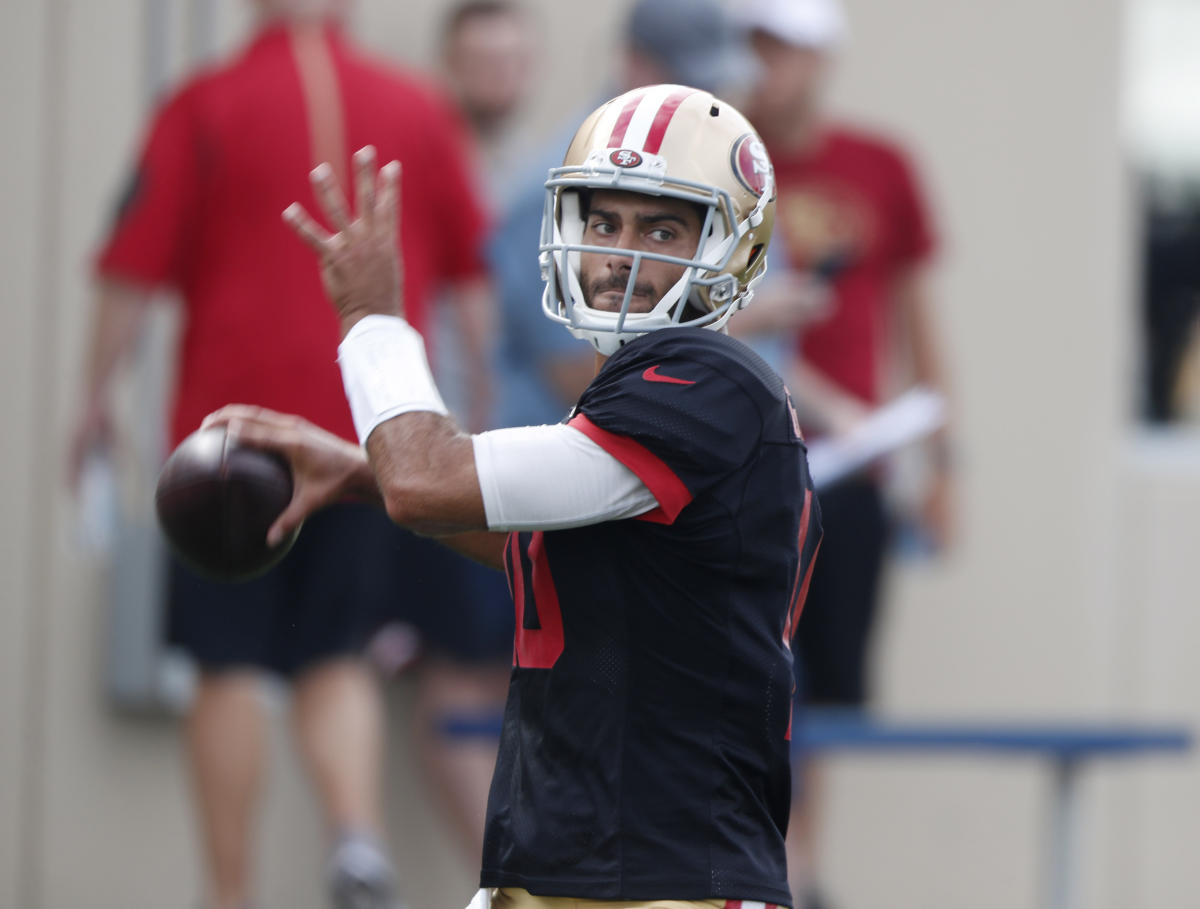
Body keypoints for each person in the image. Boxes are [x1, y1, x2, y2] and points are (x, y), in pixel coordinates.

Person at [205, 86, 822, 909]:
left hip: (661, 882)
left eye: (662, 228)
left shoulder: (702, 383)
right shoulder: (660, 396)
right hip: (577, 868)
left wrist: (372, 317)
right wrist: (361, 473)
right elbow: (551, 555)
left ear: (734, 249)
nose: (620, 254)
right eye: (604, 222)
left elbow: (427, 483)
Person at [69, 2, 491, 908]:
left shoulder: (204, 102)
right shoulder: (417, 106)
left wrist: (92, 401)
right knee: (337, 651)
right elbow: (473, 282)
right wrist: (473, 424)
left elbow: (130, 269)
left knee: (227, 664)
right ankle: (358, 833)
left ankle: (231, 894)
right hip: (367, 430)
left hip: (231, 440)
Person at [733, 1, 957, 906]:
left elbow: (918, 320)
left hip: (853, 464)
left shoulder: (879, 164)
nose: (777, 65)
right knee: (757, 664)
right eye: (763, 45)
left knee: (824, 684)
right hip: (744, 462)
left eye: (793, 49)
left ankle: (799, 867)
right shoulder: (723, 161)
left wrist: (942, 463)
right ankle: (760, 862)